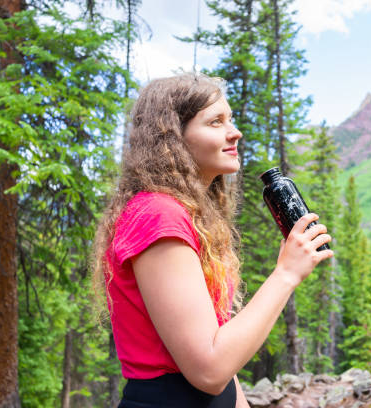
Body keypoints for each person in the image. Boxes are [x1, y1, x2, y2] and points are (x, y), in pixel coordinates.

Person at [92, 73, 333, 408]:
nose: (234, 132)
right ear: (172, 137)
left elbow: (219, 348)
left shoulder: (184, 214)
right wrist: (286, 274)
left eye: (230, 119)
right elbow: (208, 369)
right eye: (216, 121)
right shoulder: (157, 216)